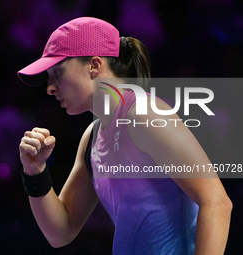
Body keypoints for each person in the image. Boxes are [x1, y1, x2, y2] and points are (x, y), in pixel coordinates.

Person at [17, 17, 232, 254]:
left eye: (57, 72)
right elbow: (60, 232)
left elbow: (216, 203)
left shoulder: (145, 114)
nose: (49, 87)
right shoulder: (92, 137)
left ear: (94, 65)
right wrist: (35, 171)